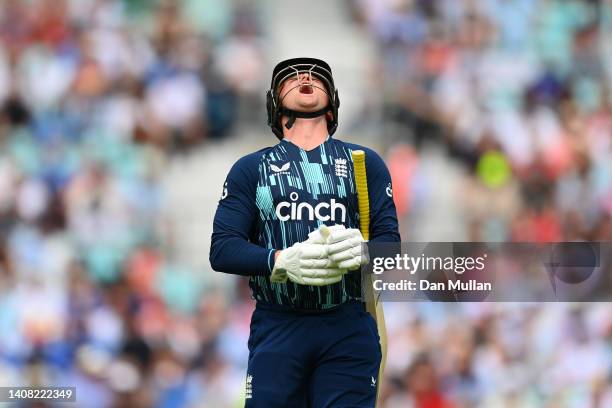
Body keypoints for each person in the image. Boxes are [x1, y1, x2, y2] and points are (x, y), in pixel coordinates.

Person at [210, 57, 400, 407]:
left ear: (332, 105)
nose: (304, 78)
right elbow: (222, 250)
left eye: (315, 76)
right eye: (291, 78)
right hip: (278, 323)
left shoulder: (366, 162)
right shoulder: (250, 169)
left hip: (347, 323)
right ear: (275, 105)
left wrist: (363, 252)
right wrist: (279, 260)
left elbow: (391, 250)